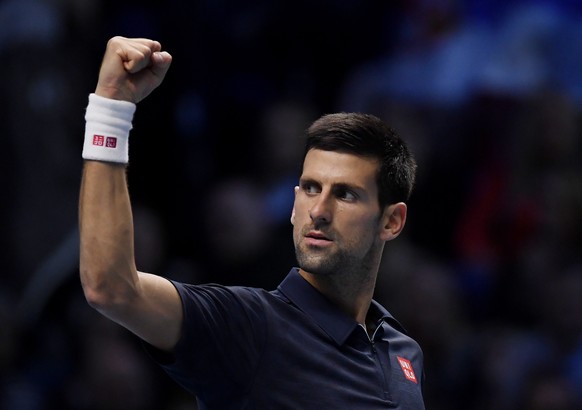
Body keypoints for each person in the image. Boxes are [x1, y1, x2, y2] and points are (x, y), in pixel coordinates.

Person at [79, 36, 425, 409]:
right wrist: (110, 108)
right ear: (293, 204)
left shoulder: (403, 351)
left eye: (345, 195)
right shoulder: (247, 326)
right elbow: (111, 287)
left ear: (391, 221)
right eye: (310, 188)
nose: (319, 210)